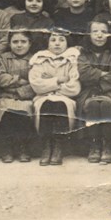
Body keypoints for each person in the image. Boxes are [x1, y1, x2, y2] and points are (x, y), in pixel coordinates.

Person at [29, 30, 81, 166]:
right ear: (47, 43)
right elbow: (36, 85)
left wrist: (49, 83)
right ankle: (47, 146)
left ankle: (58, 146)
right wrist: (59, 80)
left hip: (65, 98)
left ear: (67, 43)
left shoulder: (72, 60)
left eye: (61, 40)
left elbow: (74, 87)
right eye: (53, 40)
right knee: (46, 104)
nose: (57, 43)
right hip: (42, 97)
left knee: (59, 104)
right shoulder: (40, 60)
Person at [77, 20, 111, 165]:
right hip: (88, 92)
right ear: (89, 34)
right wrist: (103, 73)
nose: (99, 35)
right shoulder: (83, 54)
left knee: (106, 103)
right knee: (91, 104)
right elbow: (83, 74)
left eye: (103, 32)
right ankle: (94, 144)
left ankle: (107, 145)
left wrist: (96, 75)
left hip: (110, 92)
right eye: (95, 31)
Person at [0, 31, 36, 164]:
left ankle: (23, 147)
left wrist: (17, 90)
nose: (19, 45)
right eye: (15, 42)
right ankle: (8, 147)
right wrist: (20, 79)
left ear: (30, 43)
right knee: (7, 109)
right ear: (9, 43)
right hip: (4, 96)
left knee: (24, 110)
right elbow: (0, 78)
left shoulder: (35, 59)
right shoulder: (2, 58)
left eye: (23, 42)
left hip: (26, 97)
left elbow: (35, 82)